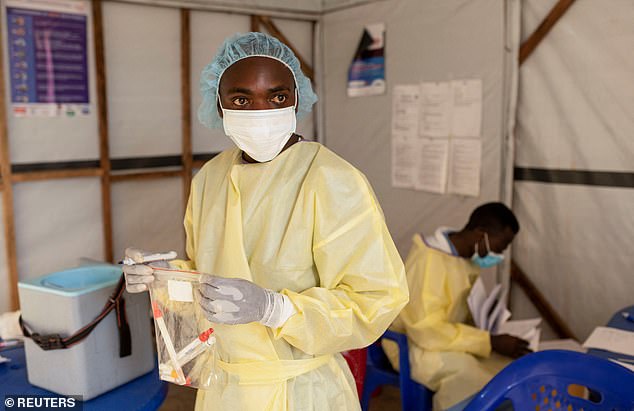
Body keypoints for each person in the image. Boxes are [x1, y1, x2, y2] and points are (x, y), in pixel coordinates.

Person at [122, 32, 409, 411]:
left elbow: (375, 298)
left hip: (302, 391)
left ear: (295, 99)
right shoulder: (210, 178)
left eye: (277, 97)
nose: (261, 112)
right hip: (222, 386)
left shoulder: (330, 180)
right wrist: (165, 277)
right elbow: (206, 275)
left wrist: (276, 309)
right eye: (241, 99)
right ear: (219, 106)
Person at [383, 202, 529, 411]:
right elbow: (426, 329)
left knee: (508, 368)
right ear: (481, 234)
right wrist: (488, 341)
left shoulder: (463, 259)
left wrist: (488, 334)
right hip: (414, 344)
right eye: (500, 247)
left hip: (447, 338)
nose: (500, 255)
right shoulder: (429, 260)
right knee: (468, 375)